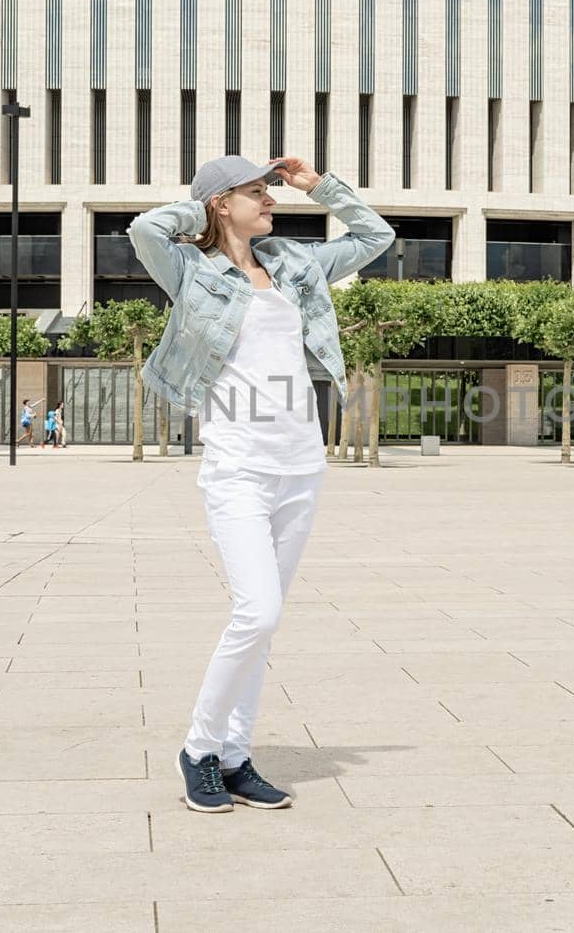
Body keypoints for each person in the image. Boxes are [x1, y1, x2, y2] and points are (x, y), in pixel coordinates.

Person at [128, 155, 391, 814]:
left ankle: (237, 757)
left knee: (264, 625)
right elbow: (143, 230)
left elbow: (374, 237)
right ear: (222, 203)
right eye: (257, 193)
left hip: (301, 463)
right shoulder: (190, 268)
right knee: (258, 610)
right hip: (237, 466)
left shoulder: (296, 263)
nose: (272, 202)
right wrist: (204, 208)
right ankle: (199, 750)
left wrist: (318, 186)